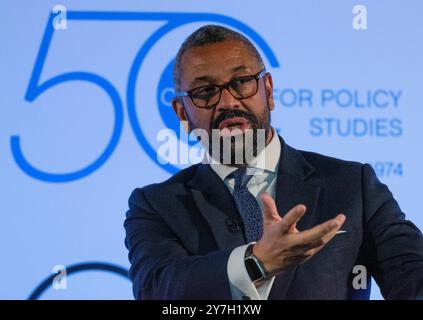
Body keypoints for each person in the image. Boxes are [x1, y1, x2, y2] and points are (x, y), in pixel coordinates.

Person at [124, 25, 423, 300]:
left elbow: (412, 276)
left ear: (268, 90)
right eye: (205, 92)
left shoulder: (352, 185)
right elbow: (158, 290)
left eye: (242, 82)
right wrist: (256, 263)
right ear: (181, 114)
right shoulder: (155, 205)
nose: (228, 102)